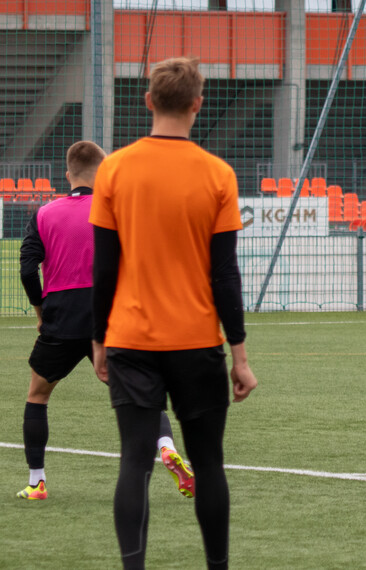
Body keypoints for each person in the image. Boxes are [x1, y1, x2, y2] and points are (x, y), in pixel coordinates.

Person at [90, 57, 257, 570]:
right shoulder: (217, 174)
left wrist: (99, 342)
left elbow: (104, 268)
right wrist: (240, 356)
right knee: (208, 464)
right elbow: (225, 275)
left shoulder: (114, 169)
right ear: (197, 104)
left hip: (131, 341)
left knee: (134, 463)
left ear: (148, 101)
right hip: (196, 344)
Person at [17, 141, 194, 501]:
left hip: (61, 317)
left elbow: (26, 270)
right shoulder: (119, 210)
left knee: (38, 396)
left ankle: (37, 482)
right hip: (112, 316)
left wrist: (40, 312)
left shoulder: (44, 214)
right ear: (105, 172)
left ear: (68, 175)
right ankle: (164, 445)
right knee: (142, 393)